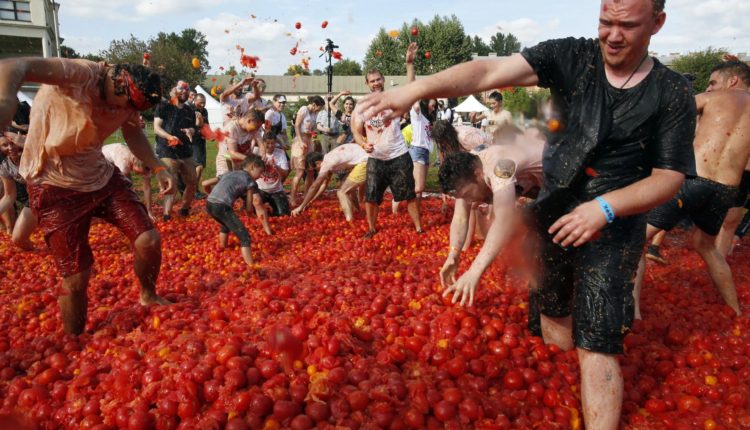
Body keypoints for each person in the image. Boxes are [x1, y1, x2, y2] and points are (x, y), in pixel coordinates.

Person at [355, 1, 695, 428]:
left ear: (657, 23)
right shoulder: (571, 57)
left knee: (597, 342)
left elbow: (669, 178)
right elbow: (485, 71)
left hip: (614, 218)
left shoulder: (671, 91)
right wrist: (415, 89)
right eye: (606, 21)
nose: (612, 34)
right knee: (554, 319)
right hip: (553, 214)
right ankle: (560, 404)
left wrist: (604, 208)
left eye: (627, 25)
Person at [0, 58, 175, 335]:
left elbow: (132, 131)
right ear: (114, 78)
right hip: (54, 184)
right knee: (77, 278)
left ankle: (148, 294)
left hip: (100, 176)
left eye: (129, 107)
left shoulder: (130, 99)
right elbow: (13, 66)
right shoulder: (80, 74)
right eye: (120, 100)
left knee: (149, 240)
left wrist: (157, 166)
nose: (118, 109)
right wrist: (6, 100)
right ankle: (74, 337)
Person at [635, 60, 750, 318]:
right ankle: (736, 312)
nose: (709, 87)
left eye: (713, 82)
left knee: (634, 240)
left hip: (693, 179)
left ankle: (634, 316)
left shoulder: (713, 98)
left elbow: (665, 112)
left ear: (732, 81)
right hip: (726, 190)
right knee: (705, 245)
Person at [438, 135, 543, 305]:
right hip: (540, 188)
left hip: (566, 176)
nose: (470, 201)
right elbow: (460, 217)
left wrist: (474, 271)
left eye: (468, 194)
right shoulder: (467, 166)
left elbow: (504, 220)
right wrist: (453, 253)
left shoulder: (500, 167)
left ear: (478, 174)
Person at [352, 65, 423, 238]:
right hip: (376, 158)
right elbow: (355, 130)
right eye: (372, 81)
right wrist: (363, 144)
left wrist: (409, 64)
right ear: (367, 83)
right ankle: (371, 228)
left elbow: (412, 89)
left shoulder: (394, 98)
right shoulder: (362, 105)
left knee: (409, 194)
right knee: (371, 196)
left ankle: (419, 228)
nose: (376, 83)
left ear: (383, 80)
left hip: (399, 155)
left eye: (378, 79)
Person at [205, 155, 272, 267]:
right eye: (260, 173)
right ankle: (251, 265)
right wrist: (250, 214)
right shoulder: (250, 181)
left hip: (209, 204)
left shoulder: (229, 173)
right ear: (253, 166)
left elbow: (205, 183)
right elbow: (250, 206)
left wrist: (210, 195)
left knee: (226, 223)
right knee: (244, 235)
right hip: (222, 206)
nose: (260, 177)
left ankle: (223, 247)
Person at [395, 43, 438, 216]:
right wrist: (410, 64)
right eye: (433, 99)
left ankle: (415, 213)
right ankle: (397, 199)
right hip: (417, 151)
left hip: (425, 152)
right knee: (417, 187)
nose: (435, 102)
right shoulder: (417, 112)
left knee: (420, 189)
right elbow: (412, 87)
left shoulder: (429, 118)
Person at [153, 81, 197, 220]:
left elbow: (193, 128)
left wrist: (191, 130)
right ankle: (167, 214)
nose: (184, 91)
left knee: (192, 181)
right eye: (181, 88)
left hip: (186, 151)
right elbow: (156, 127)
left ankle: (185, 208)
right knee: (171, 181)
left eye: (187, 89)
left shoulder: (190, 110)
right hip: (167, 150)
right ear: (175, 90)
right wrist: (169, 136)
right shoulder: (164, 106)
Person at [291, 144, 369, 221]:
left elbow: (315, 186)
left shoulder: (327, 162)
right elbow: (324, 185)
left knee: (342, 192)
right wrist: (310, 201)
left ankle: (350, 220)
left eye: (315, 168)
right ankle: (358, 211)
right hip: (366, 158)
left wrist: (301, 206)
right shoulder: (330, 158)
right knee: (348, 188)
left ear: (318, 163)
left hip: (364, 162)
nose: (316, 171)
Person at [202, 109, 264, 194]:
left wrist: (262, 157)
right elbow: (232, 153)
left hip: (243, 160)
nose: (257, 130)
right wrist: (251, 160)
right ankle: (213, 197)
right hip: (226, 158)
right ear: (249, 121)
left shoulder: (254, 127)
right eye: (256, 127)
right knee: (224, 186)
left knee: (243, 185)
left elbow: (261, 144)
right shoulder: (232, 128)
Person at [0, 132, 37, 249]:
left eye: (13, 143)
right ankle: (37, 253)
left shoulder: (34, 154)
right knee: (18, 239)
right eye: (5, 145)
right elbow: (9, 195)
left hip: (58, 194)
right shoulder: (5, 166)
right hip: (36, 198)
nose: (10, 148)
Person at [102, 143, 155, 220]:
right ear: (135, 163)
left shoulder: (147, 162)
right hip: (102, 158)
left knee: (130, 185)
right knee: (116, 187)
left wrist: (149, 211)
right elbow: (123, 188)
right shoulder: (123, 162)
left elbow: (147, 188)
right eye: (141, 172)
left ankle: (139, 210)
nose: (141, 174)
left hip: (121, 157)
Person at [290, 96, 326, 206]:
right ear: (314, 104)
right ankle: (292, 197)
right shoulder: (304, 109)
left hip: (309, 141)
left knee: (310, 170)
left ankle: (307, 196)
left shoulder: (314, 114)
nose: (318, 110)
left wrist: (313, 136)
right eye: (318, 108)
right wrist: (301, 142)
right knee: (300, 172)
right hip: (300, 141)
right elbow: (296, 126)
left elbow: (312, 129)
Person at [256, 132, 291, 217]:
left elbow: (285, 172)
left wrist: (276, 167)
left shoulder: (281, 153)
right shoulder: (256, 152)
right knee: (255, 212)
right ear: (263, 142)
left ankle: (272, 205)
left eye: (273, 143)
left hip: (276, 190)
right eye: (268, 143)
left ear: (276, 143)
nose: (270, 146)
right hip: (261, 190)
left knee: (284, 214)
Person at [192, 93, 209, 199]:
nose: (202, 104)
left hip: (201, 141)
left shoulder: (205, 111)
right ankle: (194, 190)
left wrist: (209, 133)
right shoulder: (190, 109)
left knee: (201, 165)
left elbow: (205, 124)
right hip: (193, 141)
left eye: (204, 102)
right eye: (200, 102)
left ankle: (193, 189)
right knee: (198, 166)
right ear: (195, 100)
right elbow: (197, 124)